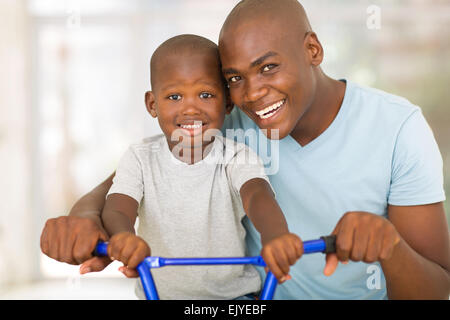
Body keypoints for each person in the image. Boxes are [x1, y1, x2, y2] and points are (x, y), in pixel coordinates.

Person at [40, 0, 450, 299]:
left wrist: (390, 244)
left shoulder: (398, 128)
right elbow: (132, 176)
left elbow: (438, 289)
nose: (252, 94)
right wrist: (83, 218)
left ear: (313, 50)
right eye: (234, 77)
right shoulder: (228, 121)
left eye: (268, 67)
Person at [42, 34, 303, 300]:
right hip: (156, 295)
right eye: (175, 96)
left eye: (205, 94)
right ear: (152, 105)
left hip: (234, 298)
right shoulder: (140, 157)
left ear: (226, 103)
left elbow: (258, 196)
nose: (190, 108)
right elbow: (118, 206)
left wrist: (276, 235)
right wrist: (123, 236)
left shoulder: (237, 156)